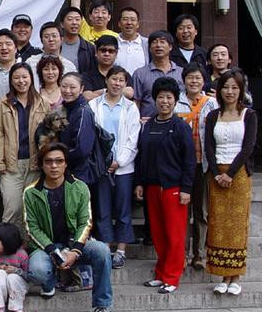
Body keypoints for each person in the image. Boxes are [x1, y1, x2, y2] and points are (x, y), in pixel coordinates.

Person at [24, 142, 117, 312]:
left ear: (66, 163)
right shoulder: (31, 192)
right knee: (38, 270)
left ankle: (101, 307)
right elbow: (31, 228)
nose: (54, 166)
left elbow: (85, 222)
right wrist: (53, 251)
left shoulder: (79, 187)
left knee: (101, 250)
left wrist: (74, 251)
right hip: (46, 247)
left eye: (59, 161)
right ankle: (49, 282)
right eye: (48, 161)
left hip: (73, 244)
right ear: (42, 164)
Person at [135, 77, 195, 294]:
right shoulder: (149, 125)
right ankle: (161, 274)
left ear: (175, 100)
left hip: (173, 188)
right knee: (158, 234)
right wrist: (140, 183)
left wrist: (186, 188)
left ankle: (172, 277)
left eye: (169, 97)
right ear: (155, 99)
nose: (165, 102)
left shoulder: (180, 127)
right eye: (161, 97)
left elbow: (189, 160)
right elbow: (142, 156)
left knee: (174, 235)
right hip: (152, 187)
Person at [204, 70, 257, 296]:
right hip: (217, 175)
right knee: (218, 225)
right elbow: (209, 146)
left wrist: (230, 174)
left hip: (239, 175)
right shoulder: (213, 116)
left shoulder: (249, 115)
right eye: (226, 87)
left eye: (235, 87)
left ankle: (235, 276)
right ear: (219, 90)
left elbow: (248, 146)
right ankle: (222, 275)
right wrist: (217, 173)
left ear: (241, 90)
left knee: (237, 225)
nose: (230, 91)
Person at [88, 66, 140, 268]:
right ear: (106, 80)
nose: (117, 83)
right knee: (102, 208)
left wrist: (120, 161)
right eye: (114, 79)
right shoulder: (93, 105)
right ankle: (105, 247)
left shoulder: (130, 107)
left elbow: (133, 138)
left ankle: (121, 250)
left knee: (123, 209)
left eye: (121, 80)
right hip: (100, 167)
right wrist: (103, 162)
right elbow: (91, 136)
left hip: (123, 167)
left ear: (125, 84)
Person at [0, 63, 48, 233]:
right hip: (11, 164)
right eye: (16, 77)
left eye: (25, 77)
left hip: (35, 164)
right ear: (11, 80)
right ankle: (8, 244)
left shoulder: (42, 103)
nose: (21, 81)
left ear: (31, 78)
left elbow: (49, 134)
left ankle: (28, 244)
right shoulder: (3, 103)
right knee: (12, 207)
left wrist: (45, 161)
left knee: (31, 208)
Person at [174, 62, 218, 270]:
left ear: (204, 80)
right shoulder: (176, 102)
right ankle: (182, 254)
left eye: (198, 78)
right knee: (183, 211)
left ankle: (199, 254)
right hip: (181, 165)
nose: (194, 81)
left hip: (204, 164)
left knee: (201, 211)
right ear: (184, 80)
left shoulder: (212, 104)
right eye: (190, 77)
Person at [132, 30, 184, 121]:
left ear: (170, 47)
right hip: (148, 123)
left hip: (177, 123)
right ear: (149, 48)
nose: (158, 45)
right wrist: (136, 121)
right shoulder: (140, 73)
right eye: (154, 42)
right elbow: (136, 102)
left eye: (162, 42)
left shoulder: (182, 73)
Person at [56, 72, 97, 185]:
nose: (67, 91)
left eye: (72, 87)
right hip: (65, 169)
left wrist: (59, 158)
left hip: (79, 172)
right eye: (64, 86)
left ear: (81, 89)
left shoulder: (83, 111)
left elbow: (81, 149)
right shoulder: (64, 109)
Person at [0, 222, 29, 312]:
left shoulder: (21, 254)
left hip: (19, 285)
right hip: (1, 285)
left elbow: (28, 276)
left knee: (12, 277)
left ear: (7, 242)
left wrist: (16, 270)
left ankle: (17, 307)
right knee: (0, 273)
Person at [82, 35, 133, 101]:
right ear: (96, 52)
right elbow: (87, 96)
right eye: (103, 50)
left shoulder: (123, 74)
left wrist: (102, 92)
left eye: (111, 51)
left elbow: (129, 93)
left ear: (116, 54)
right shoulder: (87, 76)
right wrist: (116, 91)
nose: (107, 54)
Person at [59, 7, 96, 73]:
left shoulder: (89, 48)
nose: (74, 22)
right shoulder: (55, 45)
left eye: (77, 19)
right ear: (62, 24)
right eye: (70, 19)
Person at [115, 7, 149, 75]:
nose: (129, 23)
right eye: (125, 19)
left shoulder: (147, 43)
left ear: (138, 24)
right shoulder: (113, 42)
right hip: (118, 81)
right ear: (119, 23)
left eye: (133, 19)